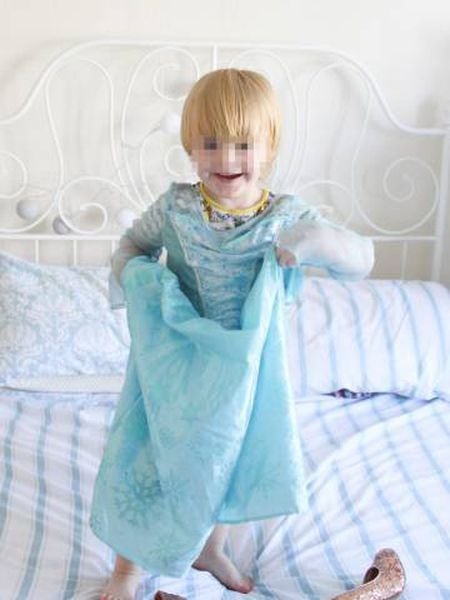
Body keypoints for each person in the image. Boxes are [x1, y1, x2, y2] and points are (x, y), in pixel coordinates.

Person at [93, 68, 374, 600]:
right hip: (175, 365)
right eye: (210, 143)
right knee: (150, 457)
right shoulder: (175, 209)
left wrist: (316, 242)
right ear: (189, 146)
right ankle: (127, 570)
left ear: (270, 146)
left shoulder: (286, 217)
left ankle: (210, 548)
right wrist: (143, 283)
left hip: (245, 373)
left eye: (243, 144)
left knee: (231, 456)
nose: (226, 158)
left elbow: (360, 260)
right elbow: (132, 247)